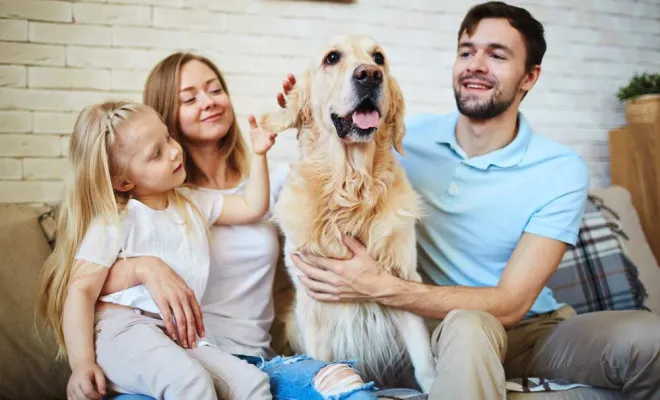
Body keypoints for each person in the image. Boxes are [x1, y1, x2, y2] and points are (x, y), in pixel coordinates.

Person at [283, 2, 660, 399]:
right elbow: (329, 153)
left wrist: (381, 287)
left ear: (530, 76)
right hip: (452, 331)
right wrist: (303, 108)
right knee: (468, 325)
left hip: (538, 329)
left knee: (652, 338)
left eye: (496, 55)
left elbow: (513, 304)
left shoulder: (561, 169)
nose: (476, 64)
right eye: (467, 51)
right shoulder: (402, 142)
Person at [99, 53, 379, 400]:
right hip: (181, 361)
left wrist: (307, 113)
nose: (208, 102)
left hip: (258, 366)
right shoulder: (157, 202)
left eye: (214, 89)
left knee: (349, 390)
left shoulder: (269, 185)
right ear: (164, 119)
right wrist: (142, 267)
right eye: (189, 98)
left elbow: (338, 187)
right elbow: (85, 281)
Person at [37, 100, 278, 400]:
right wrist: (82, 362)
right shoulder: (115, 220)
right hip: (120, 331)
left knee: (253, 384)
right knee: (190, 384)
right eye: (157, 154)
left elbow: (251, 206)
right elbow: (80, 290)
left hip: (175, 333)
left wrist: (259, 154)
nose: (175, 150)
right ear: (123, 181)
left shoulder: (191, 202)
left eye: (168, 137)